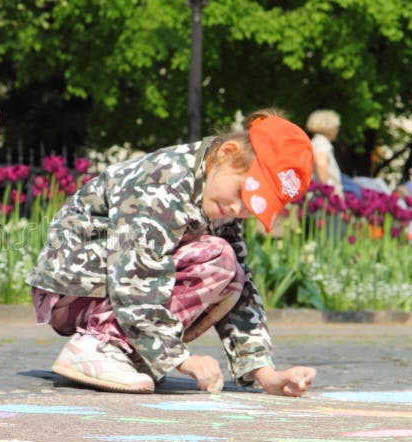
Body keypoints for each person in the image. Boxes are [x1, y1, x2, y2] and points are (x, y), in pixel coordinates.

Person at [27, 109, 317, 397]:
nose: (237, 210)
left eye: (252, 208)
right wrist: (179, 358)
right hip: (74, 289)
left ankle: (128, 351)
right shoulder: (163, 181)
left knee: (231, 273)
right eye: (243, 193)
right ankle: (102, 346)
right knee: (217, 257)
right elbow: (135, 272)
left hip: (103, 287)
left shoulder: (215, 193)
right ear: (227, 153)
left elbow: (241, 293)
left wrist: (266, 374)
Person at [306, 109, 344, 196]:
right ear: (328, 127)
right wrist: (328, 191)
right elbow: (321, 164)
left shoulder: (316, 141)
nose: (337, 130)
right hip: (323, 197)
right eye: (336, 127)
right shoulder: (322, 143)